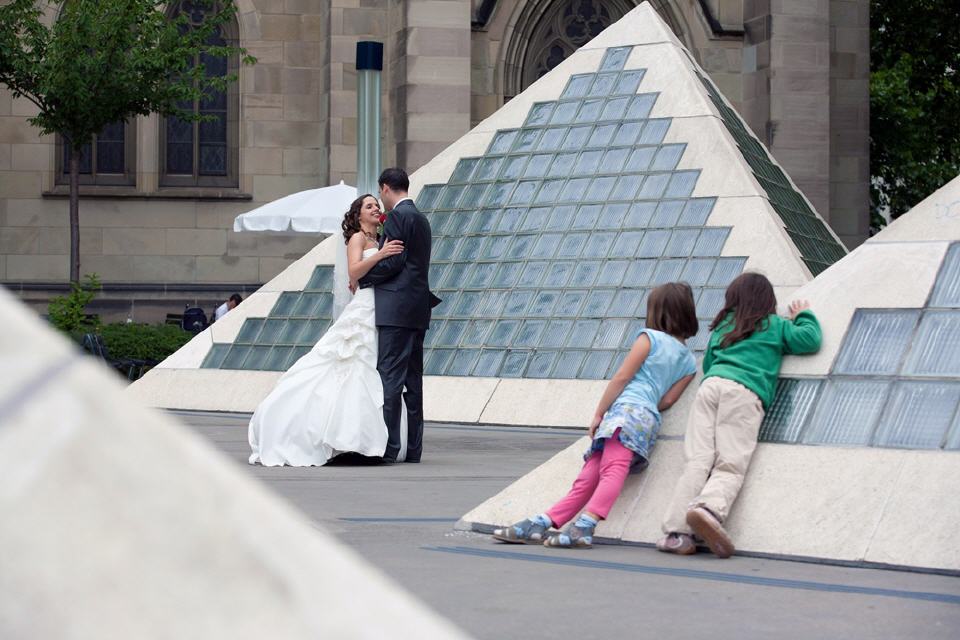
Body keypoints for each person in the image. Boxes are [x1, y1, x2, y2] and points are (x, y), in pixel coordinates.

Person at [492, 283, 700, 548]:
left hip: (623, 413)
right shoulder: (688, 362)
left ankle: (585, 525)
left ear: (656, 311)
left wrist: (599, 412)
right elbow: (668, 400)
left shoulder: (648, 338)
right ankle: (544, 520)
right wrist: (647, 407)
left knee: (609, 469)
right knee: (590, 473)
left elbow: (622, 377)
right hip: (646, 419)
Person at [658, 272, 821, 558]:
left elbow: (708, 363)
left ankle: (676, 533)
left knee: (697, 460)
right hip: (744, 394)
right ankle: (709, 508)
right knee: (730, 463)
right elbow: (809, 340)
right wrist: (805, 315)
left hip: (710, 388)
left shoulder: (723, 326)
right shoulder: (775, 325)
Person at [247, 195, 405, 466]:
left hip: (381, 307)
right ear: (358, 215)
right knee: (351, 363)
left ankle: (359, 439)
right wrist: (380, 254)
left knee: (369, 369)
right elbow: (354, 272)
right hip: (365, 307)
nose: (375, 208)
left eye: (376, 205)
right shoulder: (357, 238)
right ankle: (339, 438)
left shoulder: (382, 238)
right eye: (369, 206)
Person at [358, 168, 437, 464]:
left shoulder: (398, 218)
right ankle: (413, 449)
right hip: (417, 308)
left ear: (386, 187)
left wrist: (363, 280)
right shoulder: (421, 218)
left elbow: (394, 261)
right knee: (413, 381)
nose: (380, 198)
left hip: (396, 309)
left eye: (380, 192)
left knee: (390, 377)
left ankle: (390, 447)